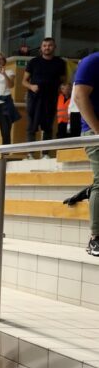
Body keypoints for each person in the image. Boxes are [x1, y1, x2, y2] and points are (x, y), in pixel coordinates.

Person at [23, 37, 68, 152]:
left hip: (51, 98)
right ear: (41, 48)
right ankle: (30, 154)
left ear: (54, 47)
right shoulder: (33, 62)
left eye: (50, 45)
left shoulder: (60, 62)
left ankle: (45, 153)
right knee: (31, 127)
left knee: (48, 127)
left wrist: (62, 89)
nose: (47, 48)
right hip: (34, 98)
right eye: (44, 45)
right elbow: (24, 81)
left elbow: (63, 81)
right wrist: (31, 86)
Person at [76, 52, 99, 256]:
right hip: (94, 132)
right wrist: (98, 131)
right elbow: (79, 96)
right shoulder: (92, 61)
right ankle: (95, 237)